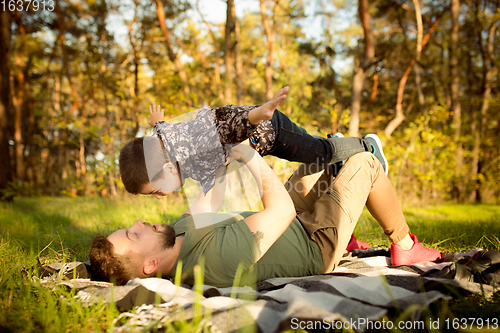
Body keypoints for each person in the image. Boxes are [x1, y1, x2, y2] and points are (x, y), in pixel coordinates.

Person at [89, 143, 441, 287]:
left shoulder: (176, 235)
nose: (136, 223)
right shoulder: (215, 260)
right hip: (316, 243)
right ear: (150, 266)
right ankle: (405, 244)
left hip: (293, 224)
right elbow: (282, 208)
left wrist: (221, 152)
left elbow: (210, 197)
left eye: (128, 227)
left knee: (322, 157)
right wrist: (249, 156)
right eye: (133, 235)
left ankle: (350, 232)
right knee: (365, 163)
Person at [119, 87, 385, 198]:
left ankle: (366, 146)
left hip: (269, 129)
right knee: (311, 149)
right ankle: (338, 146)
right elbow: (163, 131)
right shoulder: (167, 143)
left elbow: (228, 132)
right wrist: (158, 122)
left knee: (320, 153)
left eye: (155, 192)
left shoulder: (193, 151)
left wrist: (257, 115)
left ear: (166, 170)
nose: (160, 197)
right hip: (261, 131)